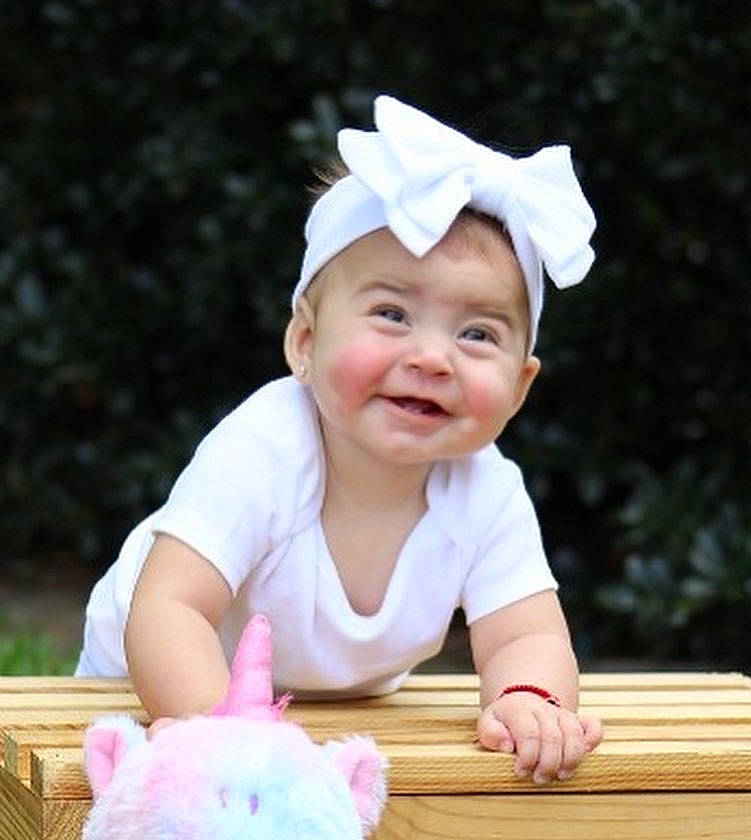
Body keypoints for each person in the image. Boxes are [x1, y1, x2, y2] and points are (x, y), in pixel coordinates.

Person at [77, 95, 603, 782]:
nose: (433, 357)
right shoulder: (265, 448)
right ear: (304, 342)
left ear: (520, 385)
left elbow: (525, 631)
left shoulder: (487, 489)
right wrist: (223, 730)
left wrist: (529, 696)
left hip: (337, 706)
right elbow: (170, 605)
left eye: (477, 333)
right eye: (392, 314)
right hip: (157, 681)